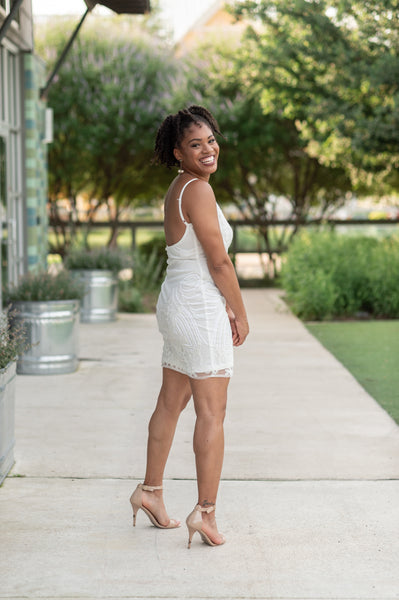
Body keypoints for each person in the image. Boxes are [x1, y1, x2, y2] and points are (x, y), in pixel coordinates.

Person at [130, 105, 249, 548]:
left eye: (211, 140)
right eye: (195, 144)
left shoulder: (179, 188)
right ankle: (205, 512)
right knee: (212, 413)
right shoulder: (197, 190)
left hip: (178, 302)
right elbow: (219, 262)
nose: (207, 150)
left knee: (170, 403)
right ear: (178, 152)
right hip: (199, 305)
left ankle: (150, 492)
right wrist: (240, 311)